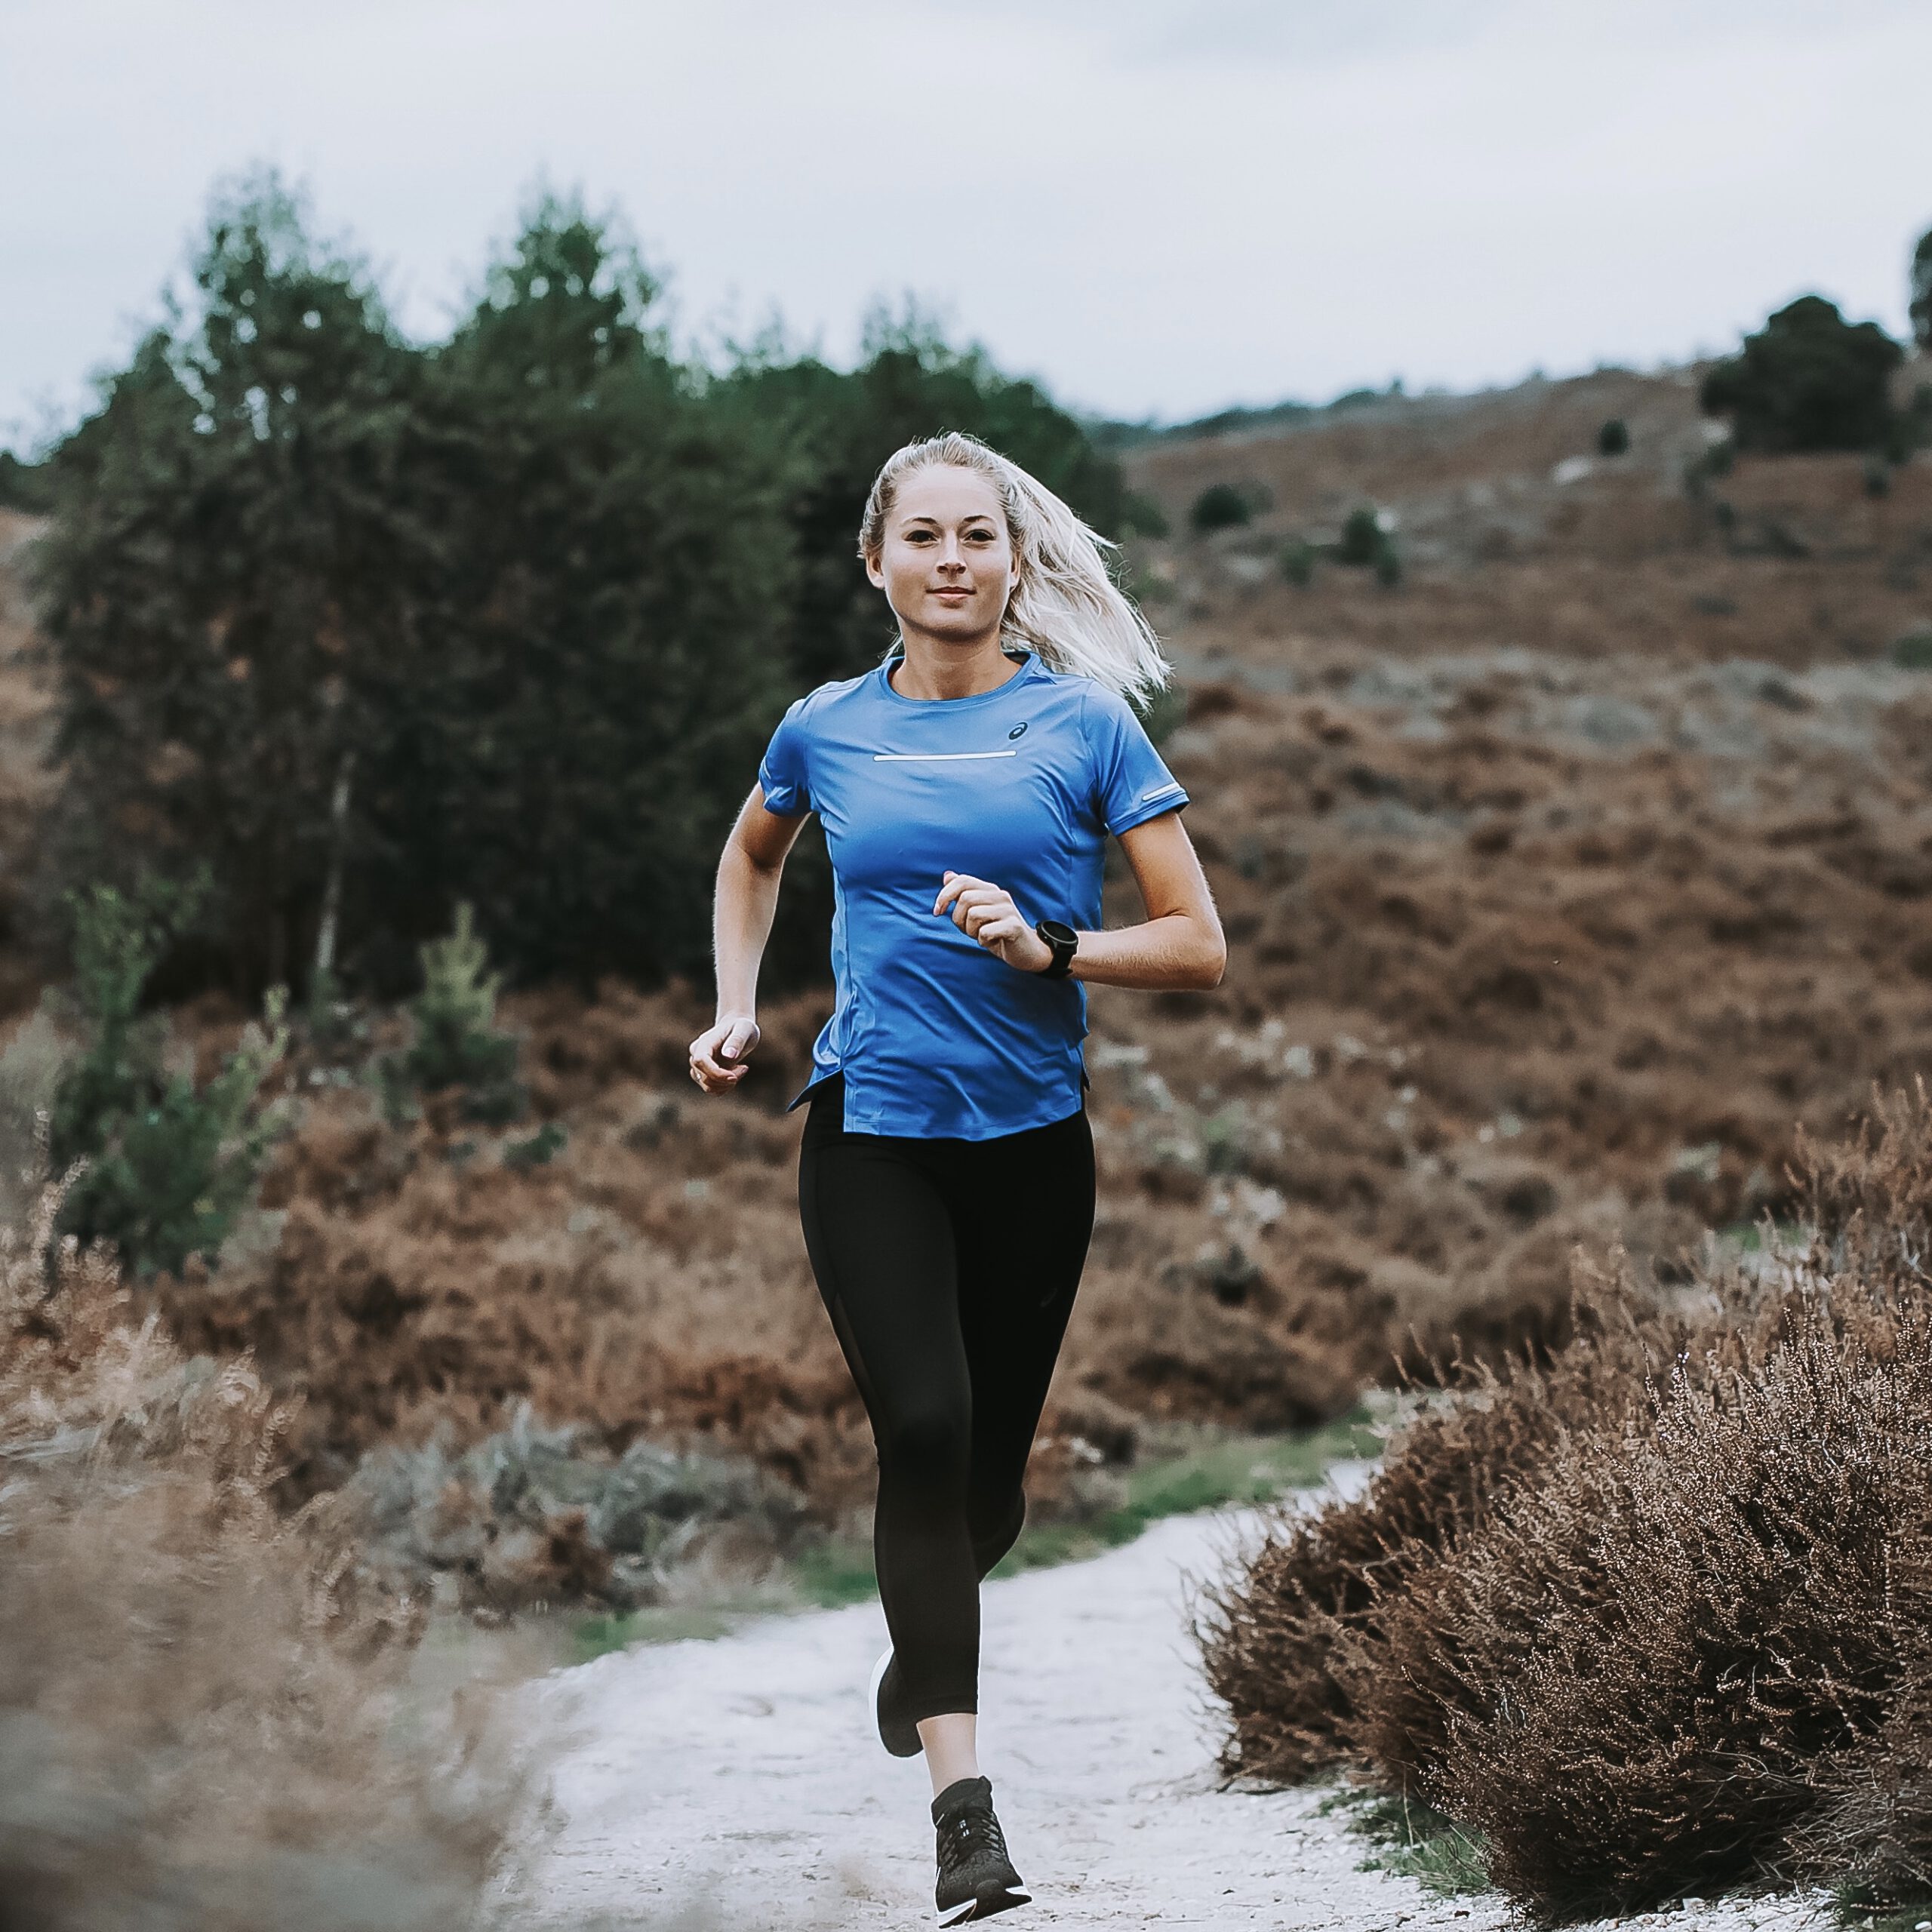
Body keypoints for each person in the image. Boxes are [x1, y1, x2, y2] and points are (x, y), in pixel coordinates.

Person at [688, 429, 1224, 1925]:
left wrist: (1054, 947)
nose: (947, 560)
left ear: (1011, 561)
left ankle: (921, 1635)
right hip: (871, 1129)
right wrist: (737, 1001)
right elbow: (750, 856)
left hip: (1032, 1152)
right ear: (875, 561)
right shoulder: (823, 728)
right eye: (919, 535)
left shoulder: (1085, 731)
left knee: (982, 1493)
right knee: (922, 1427)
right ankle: (963, 1808)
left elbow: (1196, 941)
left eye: (973, 536)